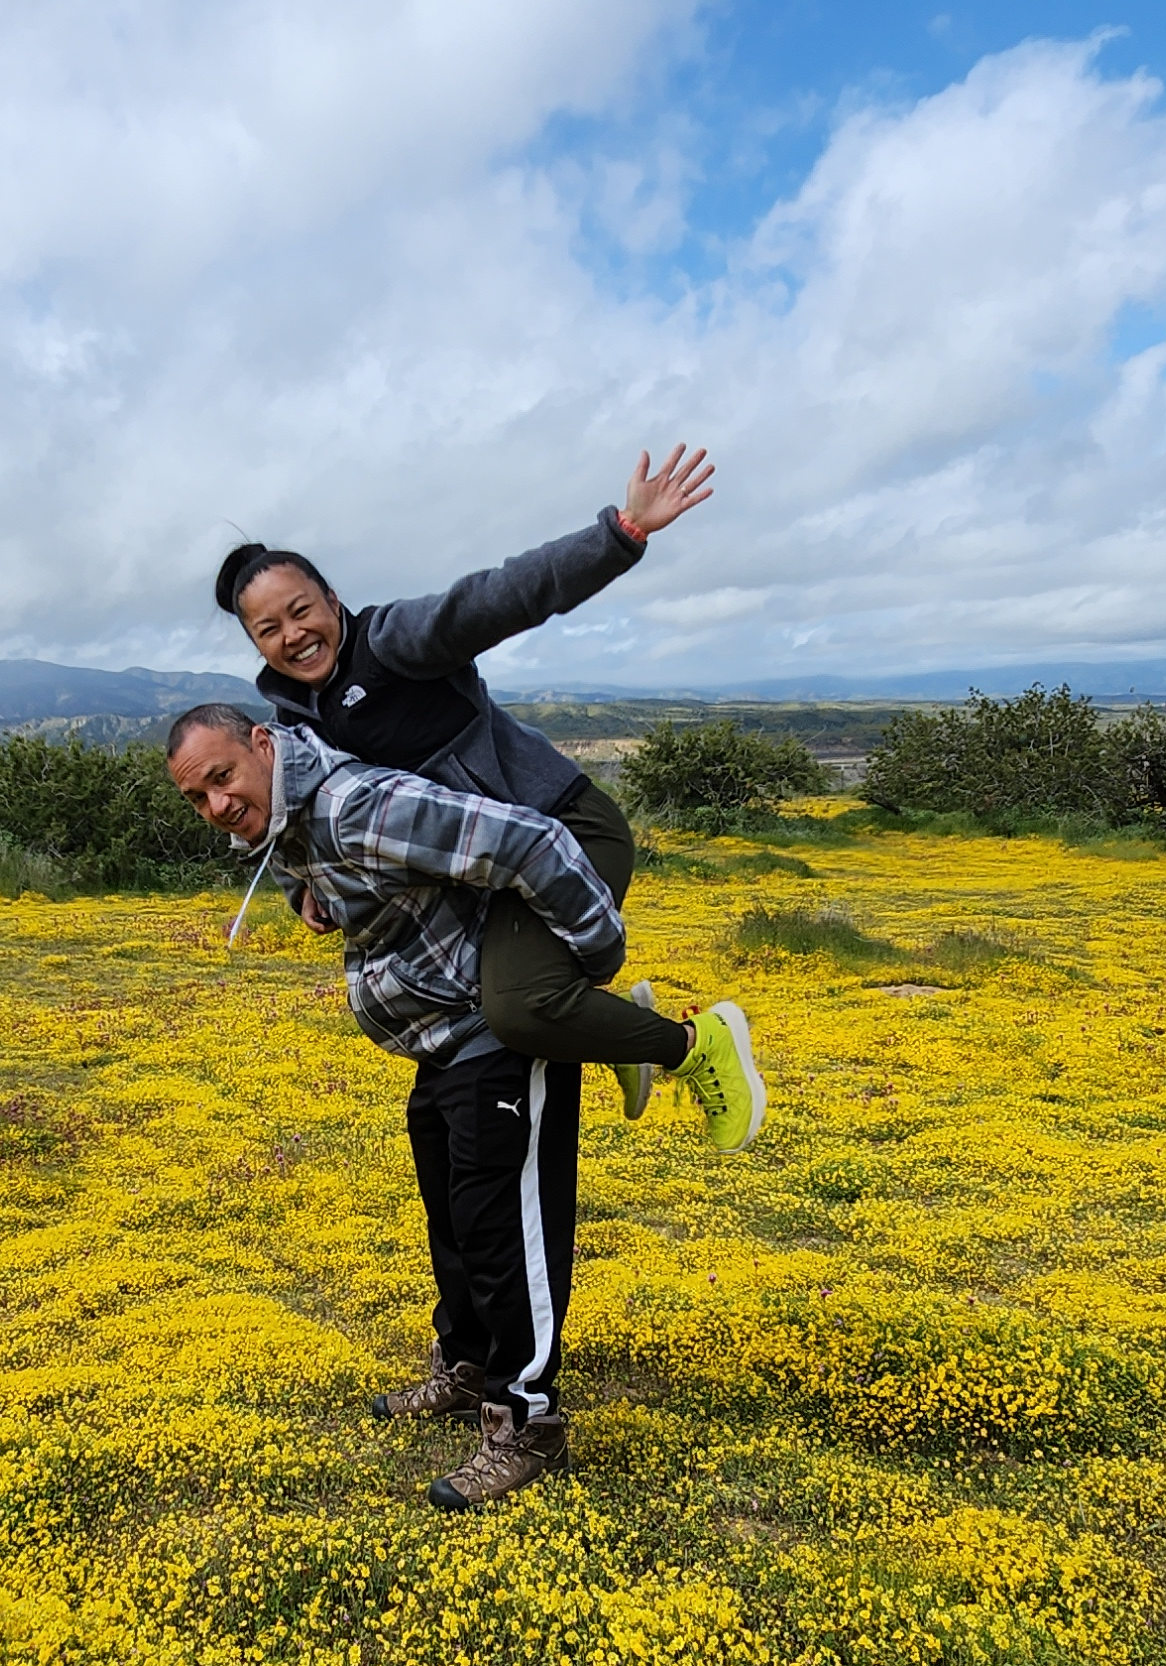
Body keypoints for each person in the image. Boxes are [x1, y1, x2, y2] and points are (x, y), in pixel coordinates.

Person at [164, 701, 763, 1511]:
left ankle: (527, 1420)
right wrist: (304, 891)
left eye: (222, 778)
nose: (216, 807)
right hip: (436, 1038)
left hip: (490, 1032)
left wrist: (587, 957)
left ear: (261, 745)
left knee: (505, 1230)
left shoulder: (354, 805)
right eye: (197, 798)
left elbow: (530, 842)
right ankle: (469, 1364)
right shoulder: (293, 822)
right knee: (454, 1214)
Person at [213, 446, 713, 1123]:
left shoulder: (391, 643)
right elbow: (283, 816)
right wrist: (300, 891)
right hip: (492, 879)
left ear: (332, 600)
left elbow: (498, 597)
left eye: (302, 610)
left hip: (565, 830)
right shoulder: (289, 724)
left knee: (516, 1007)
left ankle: (690, 1044)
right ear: (255, 643)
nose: (293, 636)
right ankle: (612, 1032)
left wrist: (619, 535)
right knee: (490, 1007)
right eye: (268, 629)